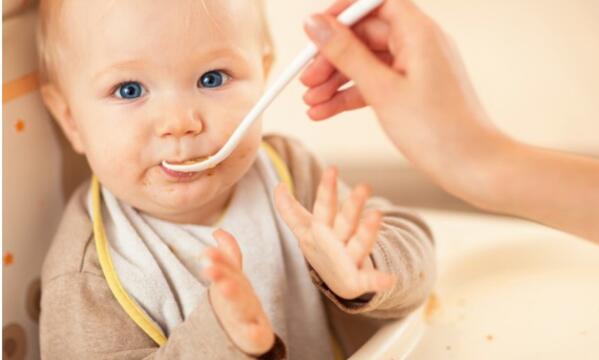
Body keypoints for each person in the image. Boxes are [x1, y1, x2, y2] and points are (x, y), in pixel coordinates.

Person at [36, 0, 436, 359]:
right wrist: (220, 341)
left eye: (212, 78)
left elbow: (419, 252)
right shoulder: (85, 278)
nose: (180, 123)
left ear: (263, 74)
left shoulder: (289, 172)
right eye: (129, 89)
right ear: (70, 118)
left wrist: (363, 265)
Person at [300, 0, 599, 254]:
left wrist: (357, 270)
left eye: (243, 76)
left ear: (267, 64)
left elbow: (410, 246)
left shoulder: (292, 167)